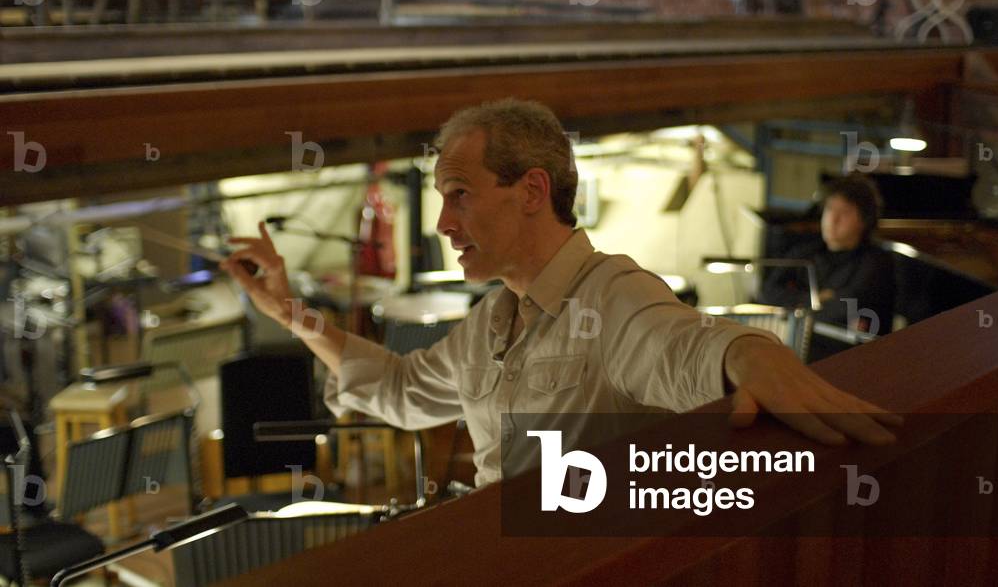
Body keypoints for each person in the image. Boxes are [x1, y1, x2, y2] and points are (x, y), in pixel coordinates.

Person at [222, 99, 902, 488]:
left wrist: (751, 355)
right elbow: (400, 388)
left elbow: (686, 345)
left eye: (459, 195)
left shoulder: (611, 295)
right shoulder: (491, 320)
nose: (442, 223)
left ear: (531, 191)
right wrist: (290, 312)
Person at [761, 174, 896, 336]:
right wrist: (819, 298)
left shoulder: (876, 262)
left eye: (844, 212)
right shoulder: (808, 251)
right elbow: (768, 291)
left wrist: (796, 303)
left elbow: (843, 311)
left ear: (864, 221)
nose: (833, 219)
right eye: (830, 208)